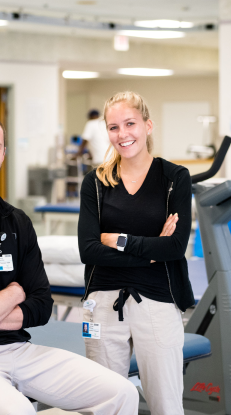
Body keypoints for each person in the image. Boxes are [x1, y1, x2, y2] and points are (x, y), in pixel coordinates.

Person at [0, 110, 138, 415]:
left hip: (18, 348)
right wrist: (17, 292)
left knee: (121, 393)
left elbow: (42, 306)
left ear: (3, 153)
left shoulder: (17, 222)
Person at [78, 91, 194, 415]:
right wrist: (150, 251)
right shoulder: (96, 182)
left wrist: (119, 240)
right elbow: (88, 250)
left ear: (148, 125)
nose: (122, 134)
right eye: (113, 127)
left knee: (166, 404)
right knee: (105, 405)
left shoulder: (174, 178)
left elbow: (174, 246)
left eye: (130, 123)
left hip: (157, 299)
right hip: (102, 300)